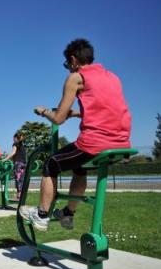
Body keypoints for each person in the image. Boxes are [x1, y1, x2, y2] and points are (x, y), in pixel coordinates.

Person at [19, 38, 132, 231]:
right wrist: (78, 114)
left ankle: (41, 214)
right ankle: (68, 215)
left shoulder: (76, 77)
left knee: (51, 163)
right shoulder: (112, 77)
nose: (68, 69)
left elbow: (58, 119)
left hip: (96, 142)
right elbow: (106, 107)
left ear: (73, 60)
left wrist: (44, 111)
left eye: (67, 65)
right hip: (121, 141)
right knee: (79, 168)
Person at [4, 132, 27, 200]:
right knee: (22, 179)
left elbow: (13, 153)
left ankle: (19, 195)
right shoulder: (23, 145)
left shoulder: (15, 144)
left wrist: (5, 159)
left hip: (18, 164)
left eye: (13, 138)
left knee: (18, 179)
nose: (13, 139)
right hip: (24, 163)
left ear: (16, 138)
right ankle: (21, 195)